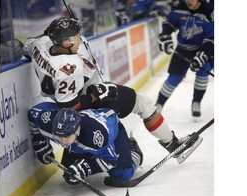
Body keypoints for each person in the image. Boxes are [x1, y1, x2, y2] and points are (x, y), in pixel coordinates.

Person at [23, 17, 201, 159]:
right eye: (76, 37)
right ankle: (173, 145)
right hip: (85, 96)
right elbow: (68, 107)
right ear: (67, 42)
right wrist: (97, 95)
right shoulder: (70, 66)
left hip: (74, 90)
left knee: (120, 117)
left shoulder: (41, 43)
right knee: (144, 104)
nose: (79, 39)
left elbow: (26, 47)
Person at [28, 101, 144, 183]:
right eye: (59, 135)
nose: (63, 141)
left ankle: (133, 149)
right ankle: (86, 157)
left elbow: (110, 160)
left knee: (122, 174)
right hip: (81, 141)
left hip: (112, 129)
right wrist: (40, 143)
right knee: (69, 170)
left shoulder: (96, 137)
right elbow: (33, 113)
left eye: (67, 136)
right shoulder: (46, 121)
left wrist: (86, 168)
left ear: (77, 130)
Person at [155, 0, 214, 117]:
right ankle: (159, 104)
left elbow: (212, 38)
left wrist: (203, 54)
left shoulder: (210, 11)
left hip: (203, 48)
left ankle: (196, 102)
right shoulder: (178, 7)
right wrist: (165, 35)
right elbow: (169, 22)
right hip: (183, 48)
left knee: (203, 73)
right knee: (174, 78)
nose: (188, 1)